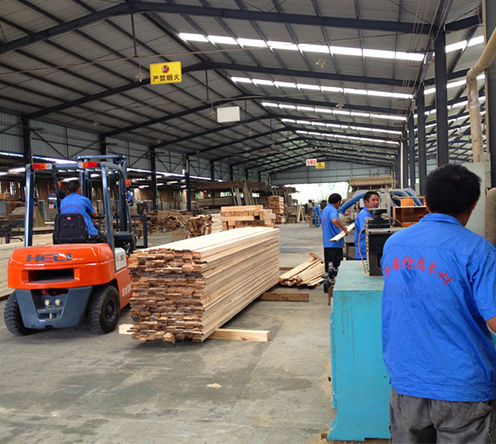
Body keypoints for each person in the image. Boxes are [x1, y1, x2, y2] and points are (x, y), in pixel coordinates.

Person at [381, 164, 496, 443]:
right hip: (463, 386)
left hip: (407, 382)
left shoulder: (394, 245)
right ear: (473, 206)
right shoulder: (479, 250)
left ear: (426, 202)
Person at [321, 193, 349, 273]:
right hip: (335, 243)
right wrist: (344, 229)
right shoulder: (332, 210)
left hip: (327, 243)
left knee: (329, 267)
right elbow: (335, 220)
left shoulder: (325, 209)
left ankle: (329, 279)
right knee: (335, 268)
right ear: (338, 202)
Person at [354, 191, 380, 260]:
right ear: (365, 202)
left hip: (372, 250)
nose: (376, 202)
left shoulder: (373, 214)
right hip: (364, 252)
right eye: (373, 200)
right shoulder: (363, 214)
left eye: (377, 200)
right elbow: (366, 230)